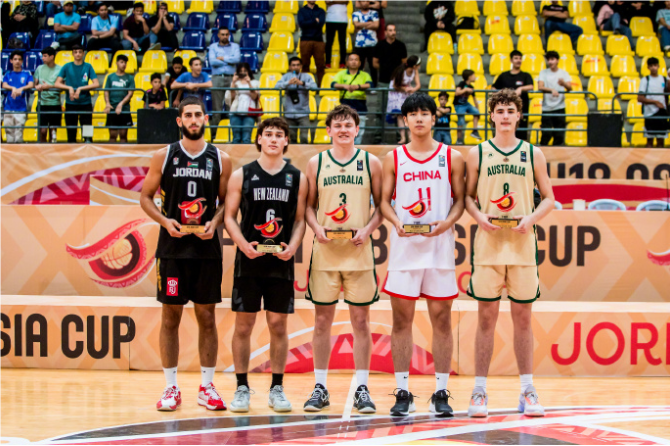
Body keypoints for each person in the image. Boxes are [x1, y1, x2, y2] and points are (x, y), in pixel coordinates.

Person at [464, 89, 555, 419]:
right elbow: (468, 198)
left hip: (522, 247)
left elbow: (549, 198)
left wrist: (530, 218)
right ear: (491, 115)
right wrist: (479, 218)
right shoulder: (477, 154)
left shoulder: (533, 153)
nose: (504, 115)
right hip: (488, 247)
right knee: (485, 319)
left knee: (523, 319)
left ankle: (528, 390)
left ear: (519, 116)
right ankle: (479, 391)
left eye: (510, 111)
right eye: (499, 110)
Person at [139, 96, 233, 413]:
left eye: (198, 115)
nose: (193, 119)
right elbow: (145, 198)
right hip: (173, 251)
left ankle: (207, 387)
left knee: (207, 317)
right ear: (179, 121)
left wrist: (215, 223)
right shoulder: (163, 156)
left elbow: (225, 205)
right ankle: (170, 388)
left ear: (205, 119)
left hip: (206, 249)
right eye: (188, 115)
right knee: (171, 317)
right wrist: (165, 221)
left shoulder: (221, 159)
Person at [380, 92, 465, 417]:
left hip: (440, 249)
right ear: (405, 120)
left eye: (424, 113)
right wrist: (396, 221)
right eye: (412, 113)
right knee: (402, 321)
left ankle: (441, 392)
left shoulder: (452, 157)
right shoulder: (394, 157)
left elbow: (459, 200)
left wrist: (447, 223)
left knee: (441, 321)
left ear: (434, 118)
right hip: (405, 250)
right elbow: (384, 200)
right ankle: (403, 391)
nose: (418, 118)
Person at [303, 104, 383, 414]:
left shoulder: (370, 162)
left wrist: (368, 229)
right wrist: (316, 227)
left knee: (361, 322)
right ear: (328, 130)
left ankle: (362, 387)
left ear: (357, 129)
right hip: (325, 253)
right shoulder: (316, 163)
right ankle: (319, 387)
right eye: (337, 125)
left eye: (348, 125)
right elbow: (309, 207)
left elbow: (381, 207)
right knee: (322, 322)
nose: (343, 130)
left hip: (358, 253)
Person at [224, 117, 308, 414]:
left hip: (280, 263)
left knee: (277, 325)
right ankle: (241, 387)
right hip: (248, 262)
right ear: (258, 139)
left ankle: (277, 387)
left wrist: (294, 246)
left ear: (286, 141)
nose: (273, 139)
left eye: (279, 135)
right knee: (244, 325)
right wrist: (242, 244)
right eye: (268, 134)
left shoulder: (296, 177)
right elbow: (229, 216)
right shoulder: (242, 175)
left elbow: (299, 220)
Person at [54, 43, 100, 143]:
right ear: (73, 54)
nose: (78, 54)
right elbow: (57, 83)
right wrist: (69, 88)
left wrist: (80, 89)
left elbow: (96, 83)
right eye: (75, 52)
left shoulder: (88, 66)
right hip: (71, 104)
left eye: (80, 52)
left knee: (88, 136)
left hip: (86, 103)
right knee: (71, 135)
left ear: (83, 53)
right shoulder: (67, 66)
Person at [492, 50, 534, 140]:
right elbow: (493, 89)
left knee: (521, 137)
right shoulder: (503, 76)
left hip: (522, 111)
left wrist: (521, 88)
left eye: (520, 58)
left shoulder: (525, 75)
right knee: (504, 135)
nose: (518, 60)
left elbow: (531, 86)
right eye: (516, 58)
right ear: (511, 60)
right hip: (505, 112)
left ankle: (522, 155)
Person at [275, 57, 318, 144]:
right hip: (289, 113)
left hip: (303, 113)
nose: (295, 67)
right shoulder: (286, 77)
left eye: (298, 65)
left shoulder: (307, 76)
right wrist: (288, 83)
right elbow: (276, 87)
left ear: (301, 66)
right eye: (293, 65)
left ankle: (305, 157)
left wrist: (302, 83)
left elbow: (315, 88)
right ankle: (293, 157)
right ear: (290, 67)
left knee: (304, 138)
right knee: (291, 138)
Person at [332, 53, 372, 145]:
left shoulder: (364, 75)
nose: (354, 62)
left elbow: (370, 84)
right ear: (347, 62)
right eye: (351, 59)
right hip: (345, 105)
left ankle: (356, 150)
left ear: (360, 63)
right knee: (344, 129)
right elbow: (333, 84)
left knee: (359, 130)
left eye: (356, 60)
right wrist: (344, 86)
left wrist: (357, 86)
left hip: (360, 105)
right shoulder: (341, 74)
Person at [208, 27, 241, 127]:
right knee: (217, 108)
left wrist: (222, 58)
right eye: (222, 34)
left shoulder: (235, 46)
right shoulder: (213, 47)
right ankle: (215, 133)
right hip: (217, 78)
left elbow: (237, 59)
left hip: (232, 78)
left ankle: (231, 132)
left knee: (231, 107)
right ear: (218, 35)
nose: (225, 36)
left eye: (226, 34)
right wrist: (229, 60)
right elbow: (212, 62)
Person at [538, 51, 571, 146]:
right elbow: (540, 86)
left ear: (557, 60)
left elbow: (570, 88)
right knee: (545, 134)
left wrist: (563, 83)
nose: (550, 62)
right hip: (546, 108)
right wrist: (551, 90)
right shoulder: (543, 73)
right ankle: (542, 157)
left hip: (560, 108)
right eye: (548, 60)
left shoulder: (564, 73)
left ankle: (557, 157)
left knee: (559, 135)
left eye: (552, 59)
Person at [386, 56, 421, 144]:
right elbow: (395, 85)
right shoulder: (401, 71)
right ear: (414, 66)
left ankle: (410, 136)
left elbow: (418, 85)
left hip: (406, 91)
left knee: (409, 113)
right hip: (397, 92)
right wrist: (404, 89)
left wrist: (413, 89)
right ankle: (403, 137)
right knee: (399, 115)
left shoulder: (414, 71)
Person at [2, 51, 34, 143]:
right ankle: (10, 157)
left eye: (19, 59)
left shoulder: (27, 74)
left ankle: (18, 156)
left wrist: (21, 88)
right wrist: (13, 88)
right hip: (8, 108)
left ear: (22, 61)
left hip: (21, 109)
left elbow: (31, 84)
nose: (17, 61)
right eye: (15, 59)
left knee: (18, 136)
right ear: (11, 61)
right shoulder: (8, 74)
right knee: (9, 136)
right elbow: (4, 85)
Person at [225, 63, 260, 144]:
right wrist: (233, 82)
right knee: (236, 138)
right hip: (235, 112)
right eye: (240, 71)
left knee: (246, 138)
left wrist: (249, 83)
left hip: (249, 113)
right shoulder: (235, 83)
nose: (243, 73)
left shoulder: (255, 82)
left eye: (245, 71)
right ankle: (235, 157)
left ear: (248, 72)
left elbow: (254, 97)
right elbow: (231, 97)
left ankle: (246, 157)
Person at [638, 57, 669, 148]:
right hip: (649, 113)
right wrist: (655, 102)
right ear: (648, 67)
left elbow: (667, 94)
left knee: (660, 141)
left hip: (662, 113)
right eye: (651, 66)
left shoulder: (663, 79)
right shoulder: (645, 80)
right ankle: (648, 161)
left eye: (655, 65)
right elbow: (640, 98)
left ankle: (660, 161)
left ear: (658, 66)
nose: (653, 68)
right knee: (649, 141)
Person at [34, 47, 62, 143]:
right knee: (42, 131)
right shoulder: (39, 68)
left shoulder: (60, 69)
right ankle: (41, 152)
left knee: (53, 131)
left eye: (45, 56)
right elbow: (35, 83)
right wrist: (37, 86)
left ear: (52, 57)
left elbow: (63, 86)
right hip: (42, 104)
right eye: (42, 56)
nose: (43, 58)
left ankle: (51, 152)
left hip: (55, 104)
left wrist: (49, 86)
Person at [104, 54, 135, 143]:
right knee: (112, 136)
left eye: (125, 62)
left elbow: (130, 93)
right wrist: (107, 103)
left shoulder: (130, 78)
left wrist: (120, 104)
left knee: (123, 136)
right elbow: (106, 91)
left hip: (124, 109)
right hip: (112, 109)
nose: (124, 64)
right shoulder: (110, 77)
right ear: (116, 63)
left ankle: (123, 156)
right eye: (121, 62)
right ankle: (111, 156)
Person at [298, 0, 327, 86]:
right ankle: (305, 85)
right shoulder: (301, 11)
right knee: (305, 65)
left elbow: (321, 23)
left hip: (319, 41)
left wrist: (309, 22)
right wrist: (314, 21)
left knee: (320, 65)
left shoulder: (321, 11)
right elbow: (302, 24)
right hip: (305, 40)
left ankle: (321, 86)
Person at [373, 24, 407, 90]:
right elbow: (374, 63)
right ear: (385, 32)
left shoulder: (401, 45)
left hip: (397, 80)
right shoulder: (379, 45)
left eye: (394, 30)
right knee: (382, 100)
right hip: (383, 80)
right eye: (390, 30)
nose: (393, 32)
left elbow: (404, 63)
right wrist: (384, 68)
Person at [352, 0, 379, 84]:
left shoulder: (374, 13)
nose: (364, 3)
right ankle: (357, 84)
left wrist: (361, 24)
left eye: (366, 1)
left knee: (373, 67)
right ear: (359, 2)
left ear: (368, 2)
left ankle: (374, 85)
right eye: (363, 1)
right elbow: (356, 25)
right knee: (358, 66)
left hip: (372, 44)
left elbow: (376, 25)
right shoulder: (356, 14)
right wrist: (369, 23)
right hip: (359, 44)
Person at [454, 69, 481, 144]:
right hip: (459, 105)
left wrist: (477, 108)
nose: (475, 77)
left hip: (466, 104)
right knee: (461, 121)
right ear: (469, 77)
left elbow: (474, 99)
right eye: (473, 75)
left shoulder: (471, 86)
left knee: (476, 112)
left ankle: (475, 131)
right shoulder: (462, 84)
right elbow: (457, 93)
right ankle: (459, 140)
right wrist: (465, 90)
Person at [325, 0, 350, 69]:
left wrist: (333, 1)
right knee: (329, 43)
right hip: (330, 19)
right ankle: (327, 63)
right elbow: (327, 1)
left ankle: (342, 63)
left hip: (342, 20)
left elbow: (346, 1)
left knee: (342, 43)